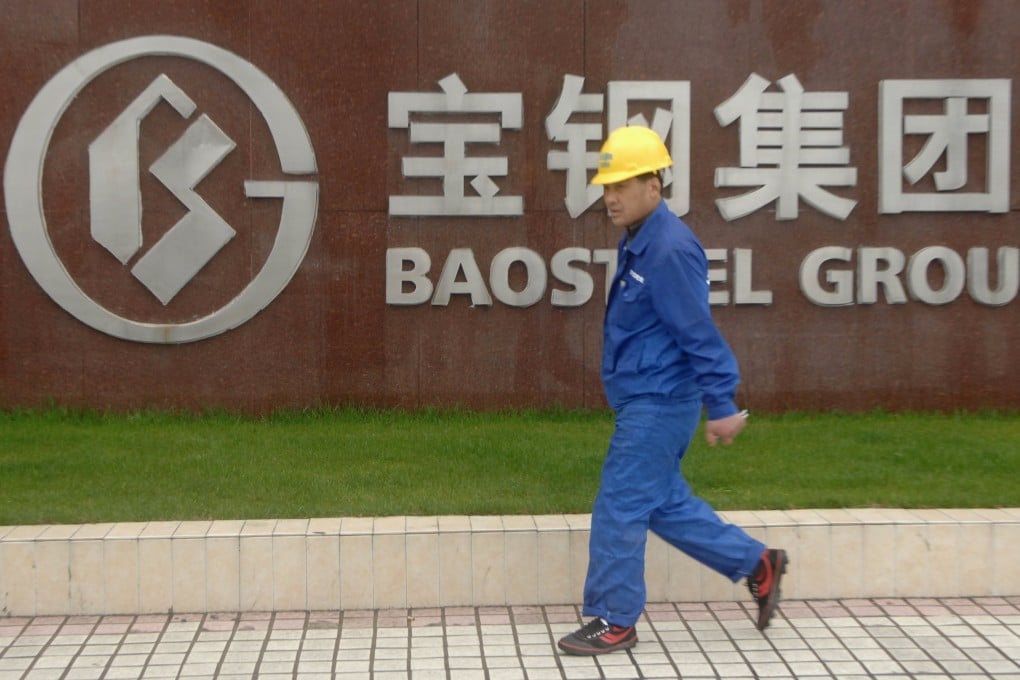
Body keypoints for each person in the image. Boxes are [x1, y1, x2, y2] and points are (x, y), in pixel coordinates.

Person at [557, 126, 788, 657]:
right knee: (660, 502)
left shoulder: (669, 249)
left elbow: (697, 332)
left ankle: (614, 620)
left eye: (623, 184)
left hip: (659, 402)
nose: (610, 196)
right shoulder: (641, 238)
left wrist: (723, 403)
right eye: (606, 185)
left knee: (619, 504)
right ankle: (758, 564)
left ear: (655, 185)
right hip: (646, 397)